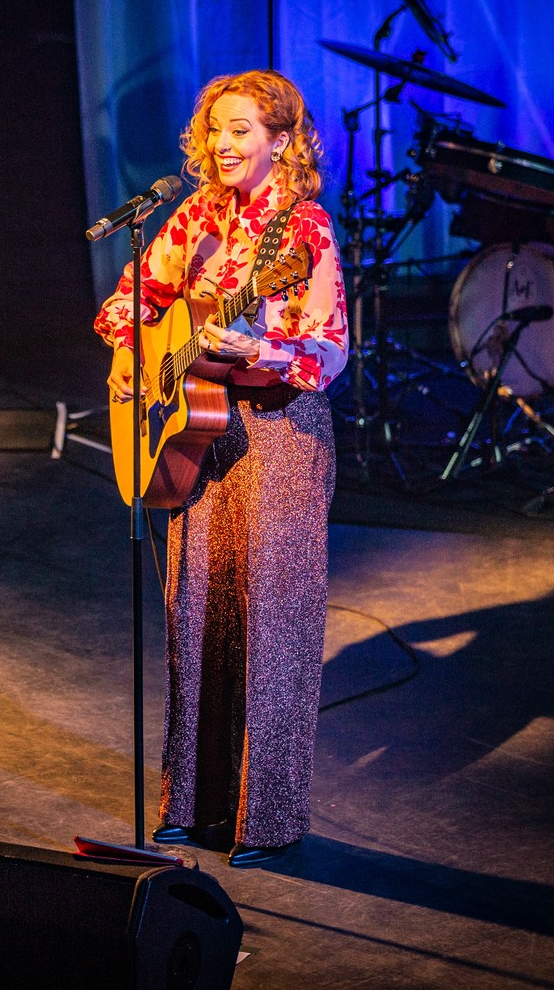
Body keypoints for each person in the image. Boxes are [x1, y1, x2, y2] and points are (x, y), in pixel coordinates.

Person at [94, 70, 348, 867]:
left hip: (278, 435)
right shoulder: (197, 214)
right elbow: (123, 304)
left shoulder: (303, 230)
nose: (225, 145)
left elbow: (329, 346)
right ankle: (195, 808)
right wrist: (138, 352)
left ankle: (266, 821)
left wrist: (261, 346)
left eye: (242, 131)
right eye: (216, 131)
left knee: (272, 624)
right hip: (194, 429)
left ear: (281, 141)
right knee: (194, 615)